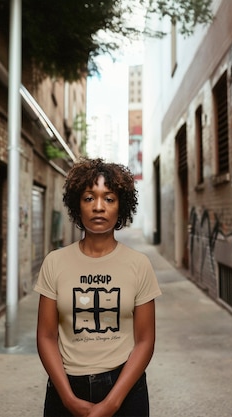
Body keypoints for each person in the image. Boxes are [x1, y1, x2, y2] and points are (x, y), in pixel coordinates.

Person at [35, 158, 162, 417]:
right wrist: (68, 399)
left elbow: (145, 340)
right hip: (66, 386)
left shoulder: (139, 264)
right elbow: (46, 336)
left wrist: (112, 403)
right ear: (77, 205)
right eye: (89, 198)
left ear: (121, 207)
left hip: (125, 388)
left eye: (109, 198)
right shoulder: (54, 262)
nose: (99, 207)